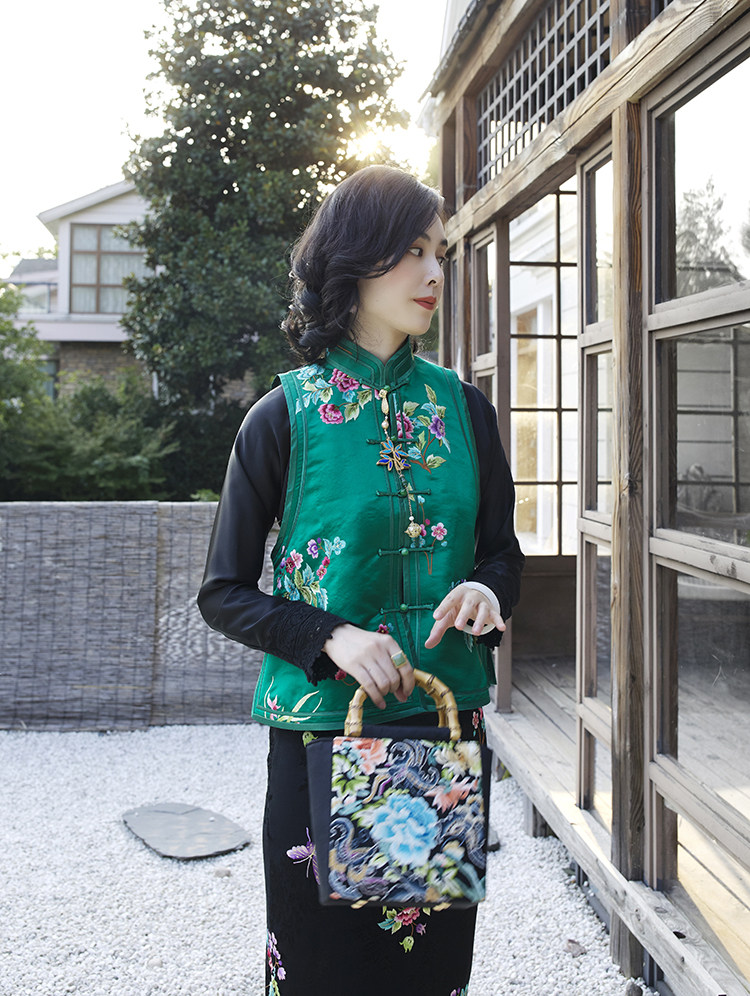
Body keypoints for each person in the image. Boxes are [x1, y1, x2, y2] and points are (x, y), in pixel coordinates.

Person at [198, 164, 524, 996]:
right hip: (320, 732)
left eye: (440, 252)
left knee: (429, 970)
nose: (435, 272)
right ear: (356, 260)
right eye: (413, 251)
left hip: (443, 725)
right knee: (322, 971)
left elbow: (502, 553)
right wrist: (330, 636)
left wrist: (488, 592)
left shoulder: (465, 410)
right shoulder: (282, 416)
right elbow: (223, 591)